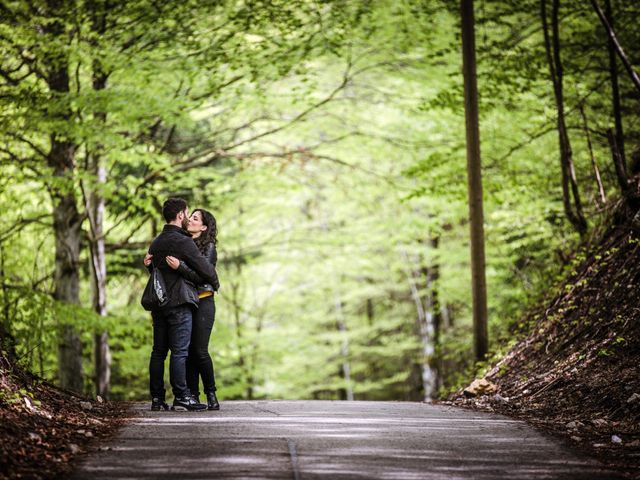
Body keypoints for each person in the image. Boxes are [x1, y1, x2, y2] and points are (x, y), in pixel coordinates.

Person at [144, 198, 217, 412]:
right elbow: (208, 272)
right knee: (180, 352)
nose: (189, 217)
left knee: (158, 352)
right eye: (187, 213)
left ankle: (157, 399)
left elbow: (159, 274)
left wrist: (150, 266)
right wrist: (214, 280)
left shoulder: (156, 242)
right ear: (180, 216)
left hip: (160, 304)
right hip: (179, 302)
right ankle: (182, 396)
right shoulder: (184, 241)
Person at [166, 209, 221, 410]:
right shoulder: (183, 243)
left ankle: (211, 393)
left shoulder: (209, 247)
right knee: (186, 351)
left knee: (199, 350)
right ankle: (193, 395)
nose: (190, 220)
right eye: (190, 217)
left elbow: (203, 277)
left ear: (204, 227)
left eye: (195, 218)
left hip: (204, 301)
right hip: (185, 302)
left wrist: (180, 267)